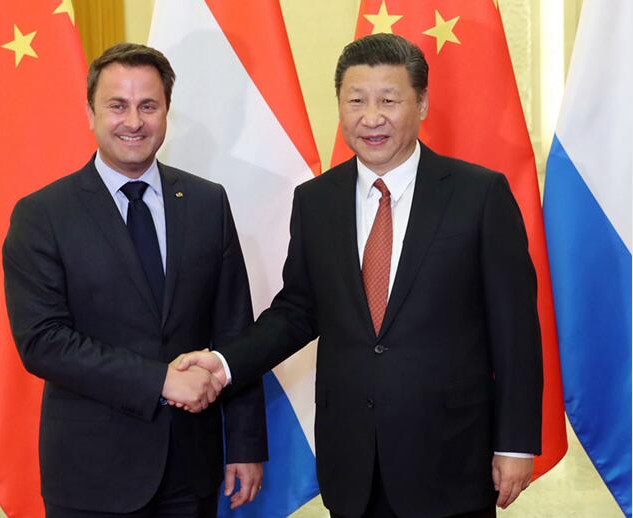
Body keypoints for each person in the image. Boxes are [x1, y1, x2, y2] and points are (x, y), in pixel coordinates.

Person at [175, 33, 542, 518]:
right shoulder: (317, 200)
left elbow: (515, 330)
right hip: (352, 463)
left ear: (422, 104)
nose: (371, 118)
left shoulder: (479, 195)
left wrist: (515, 443)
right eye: (356, 101)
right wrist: (224, 363)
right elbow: (297, 311)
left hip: (450, 458)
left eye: (388, 100)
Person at [3, 43, 267, 518]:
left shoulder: (207, 203)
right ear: (90, 113)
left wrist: (246, 444)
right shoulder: (43, 215)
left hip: (191, 468)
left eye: (148, 106)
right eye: (117, 106)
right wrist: (159, 380)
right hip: (91, 475)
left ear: (166, 112)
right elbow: (42, 341)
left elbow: (235, 331)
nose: (133, 121)